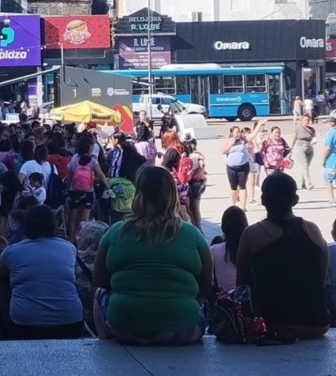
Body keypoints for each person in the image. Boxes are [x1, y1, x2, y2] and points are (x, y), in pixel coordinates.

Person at [93, 166, 212, 345]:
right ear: (172, 195)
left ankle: (107, 345)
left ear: (138, 193)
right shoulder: (192, 233)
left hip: (125, 325)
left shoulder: (116, 231)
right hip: (184, 327)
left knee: (98, 296)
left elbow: (99, 281)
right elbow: (206, 284)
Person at [236, 172, 329, 339]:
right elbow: (321, 279)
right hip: (318, 323)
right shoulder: (312, 230)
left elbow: (241, 285)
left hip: (275, 324)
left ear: (263, 199)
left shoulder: (253, 233)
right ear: (295, 200)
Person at [0, 205, 84, 339]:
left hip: (25, 326)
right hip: (71, 323)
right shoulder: (69, 248)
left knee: (2, 280)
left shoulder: (12, 251)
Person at [67, 138, 108, 244]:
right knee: (84, 220)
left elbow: (69, 176)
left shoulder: (74, 159)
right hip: (88, 192)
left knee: (73, 219)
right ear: (88, 148)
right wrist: (108, 186)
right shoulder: (92, 161)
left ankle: (71, 241)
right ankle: (82, 241)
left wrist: (69, 189)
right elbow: (101, 175)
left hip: (74, 191)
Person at [210, 206, 247, 292]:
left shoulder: (214, 250)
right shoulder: (251, 250)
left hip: (224, 298)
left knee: (217, 240)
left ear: (223, 228)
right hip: (246, 296)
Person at [223, 126, 252, 211]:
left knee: (242, 186)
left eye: (239, 132)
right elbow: (223, 151)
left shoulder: (243, 140)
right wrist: (230, 144)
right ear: (232, 133)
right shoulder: (228, 141)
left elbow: (252, 136)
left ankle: (243, 206)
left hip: (243, 166)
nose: (238, 134)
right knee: (233, 188)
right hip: (231, 167)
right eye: (236, 132)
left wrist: (258, 125)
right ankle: (232, 205)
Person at [291, 114, 317, 190]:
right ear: (301, 121)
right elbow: (294, 139)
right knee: (305, 166)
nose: (307, 122)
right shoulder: (298, 128)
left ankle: (303, 184)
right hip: (301, 148)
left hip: (310, 149)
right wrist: (290, 149)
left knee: (306, 167)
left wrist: (314, 141)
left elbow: (314, 138)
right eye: (305, 120)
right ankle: (309, 184)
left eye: (308, 120)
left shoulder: (312, 129)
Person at [323, 116, 336, 206]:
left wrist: (323, 159)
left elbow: (328, 147)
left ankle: (332, 199)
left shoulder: (330, 133)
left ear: (330, 123)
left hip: (332, 159)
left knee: (328, 179)